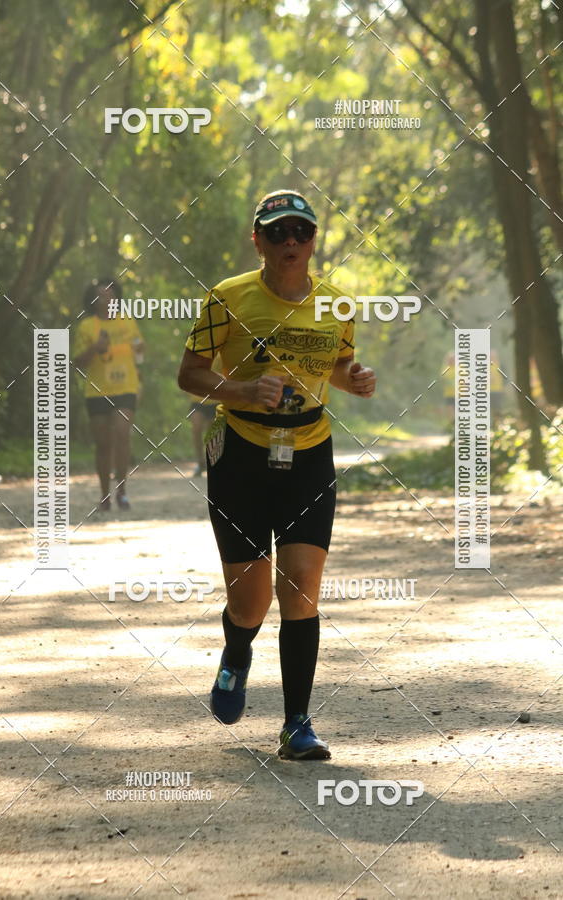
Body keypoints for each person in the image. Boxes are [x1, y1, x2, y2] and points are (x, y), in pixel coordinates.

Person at [178, 190, 376, 760]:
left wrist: (353, 378)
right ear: (258, 239)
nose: (291, 242)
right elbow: (189, 373)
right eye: (278, 232)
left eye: (301, 232)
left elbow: (335, 365)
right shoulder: (228, 297)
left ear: (315, 240)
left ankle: (297, 725)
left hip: (309, 453)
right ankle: (237, 651)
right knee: (251, 603)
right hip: (240, 454)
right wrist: (243, 390)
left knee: (302, 588)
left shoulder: (338, 304)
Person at [72, 277, 144, 511]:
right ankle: (105, 495)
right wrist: (95, 348)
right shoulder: (86, 327)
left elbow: (139, 349)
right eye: (101, 295)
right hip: (97, 391)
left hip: (126, 388)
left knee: (122, 434)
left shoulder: (128, 322)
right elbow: (77, 363)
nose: (106, 299)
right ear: (93, 301)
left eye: (110, 295)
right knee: (103, 444)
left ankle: (122, 491)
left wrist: (140, 368)